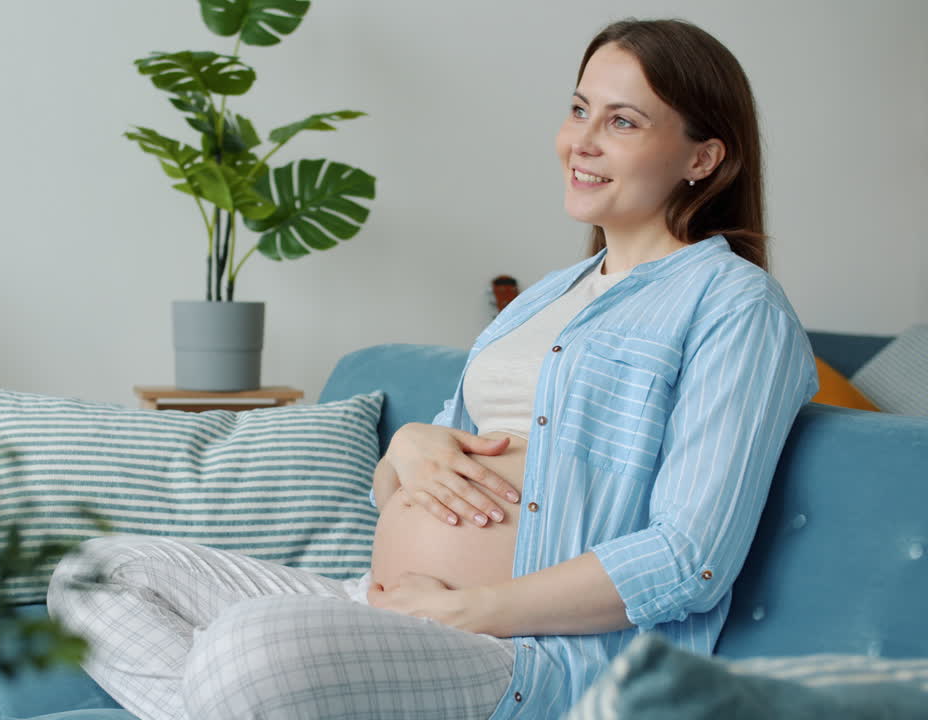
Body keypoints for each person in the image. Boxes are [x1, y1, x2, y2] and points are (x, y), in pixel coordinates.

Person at [47, 18, 819, 720]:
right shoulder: (546, 299)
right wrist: (408, 445)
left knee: (248, 648)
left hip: (530, 655)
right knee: (94, 575)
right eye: (579, 109)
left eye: (622, 121)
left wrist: (478, 607)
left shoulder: (735, 305)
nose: (582, 140)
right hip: (385, 605)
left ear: (703, 157)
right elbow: (405, 482)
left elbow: (690, 559)